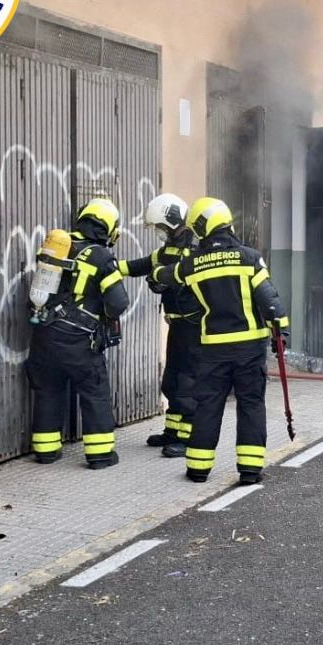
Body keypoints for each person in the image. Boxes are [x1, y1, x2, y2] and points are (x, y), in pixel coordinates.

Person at [152, 197, 289, 485]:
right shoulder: (250, 258)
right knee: (251, 405)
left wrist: (155, 274)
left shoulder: (193, 263)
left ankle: (198, 469)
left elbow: (167, 275)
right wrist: (281, 333)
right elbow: (270, 300)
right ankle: (250, 471)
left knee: (207, 406)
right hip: (250, 350)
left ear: (202, 227)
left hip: (212, 349)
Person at [26, 198, 129, 470]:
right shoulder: (102, 256)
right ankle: (101, 455)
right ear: (107, 228)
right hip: (79, 341)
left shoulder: (57, 247)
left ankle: (46, 451)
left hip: (44, 334)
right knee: (94, 392)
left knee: (48, 390)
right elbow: (118, 302)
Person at [116, 193, 200, 457]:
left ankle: (188, 439)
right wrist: (110, 267)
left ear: (173, 221)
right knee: (172, 381)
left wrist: (164, 280)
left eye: (161, 228)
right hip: (177, 324)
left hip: (194, 325)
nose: (159, 233)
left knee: (188, 383)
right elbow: (144, 265)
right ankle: (172, 432)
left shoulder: (196, 248)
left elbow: (184, 277)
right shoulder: (169, 248)